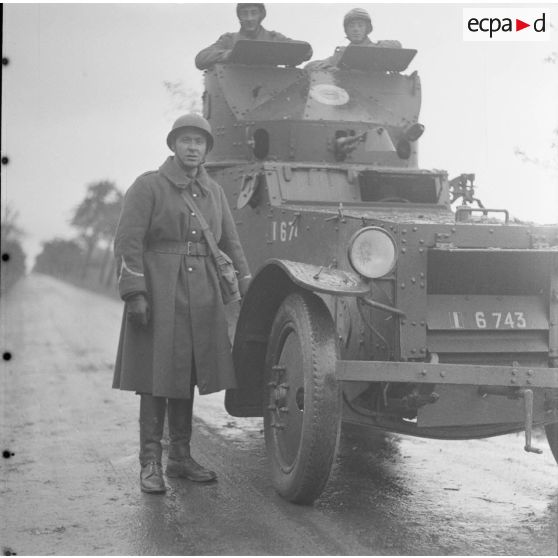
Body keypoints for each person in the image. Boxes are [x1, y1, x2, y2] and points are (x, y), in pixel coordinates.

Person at [112, 113, 252, 494]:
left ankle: (179, 458)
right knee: (156, 377)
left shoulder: (214, 192)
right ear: (173, 145)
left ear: (207, 149)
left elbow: (230, 244)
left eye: (200, 142)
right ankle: (150, 464)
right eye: (186, 140)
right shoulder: (149, 186)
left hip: (203, 293)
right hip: (159, 288)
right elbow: (128, 242)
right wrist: (135, 292)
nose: (193, 148)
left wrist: (244, 282)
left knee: (188, 373)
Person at [195, 3, 311, 70]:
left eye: (253, 13)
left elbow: (306, 50)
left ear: (261, 15)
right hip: (235, 93)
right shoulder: (229, 40)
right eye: (244, 14)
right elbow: (201, 58)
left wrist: (285, 54)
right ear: (239, 16)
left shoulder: (274, 38)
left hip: (270, 95)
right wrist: (229, 54)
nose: (249, 18)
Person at [305, 8, 401, 71]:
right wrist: (331, 68)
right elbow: (310, 66)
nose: (356, 29)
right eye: (351, 26)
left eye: (360, 25)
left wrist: (375, 48)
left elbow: (396, 45)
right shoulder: (342, 53)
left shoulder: (376, 48)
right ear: (347, 30)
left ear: (366, 29)